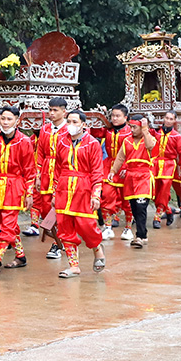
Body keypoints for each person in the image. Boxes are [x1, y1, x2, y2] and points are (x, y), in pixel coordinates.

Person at [0, 106, 36, 273]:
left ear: (17, 121)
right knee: (7, 224)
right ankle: (20, 256)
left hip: (15, 187)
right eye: (2, 119)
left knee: (7, 224)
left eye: (9, 119)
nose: (5, 122)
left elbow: (29, 171)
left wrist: (29, 193)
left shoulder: (24, 141)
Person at [54, 110, 108, 277]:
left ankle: (97, 247)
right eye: (68, 121)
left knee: (86, 225)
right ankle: (73, 266)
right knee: (64, 226)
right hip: (64, 188)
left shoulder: (92, 143)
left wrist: (96, 194)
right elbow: (57, 169)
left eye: (75, 122)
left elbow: (97, 172)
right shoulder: (61, 142)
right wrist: (54, 193)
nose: (71, 125)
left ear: (83, 125)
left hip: (83, 189)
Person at [105, 113, 158, 248]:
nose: (132, 130)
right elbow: (120, 158)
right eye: (130, 127)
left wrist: (145, 129)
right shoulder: (127, 141)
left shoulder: (150, 138)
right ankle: (141, 234)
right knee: (134, 207)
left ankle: (140, 236)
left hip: (144, 176)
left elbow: (150, 146)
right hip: (130, 177)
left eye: (135, 127)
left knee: (141, 206)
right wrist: (113, 171)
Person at [28, 97, 68, 261]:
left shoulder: (69, 130)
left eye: (55, 110)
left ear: (64, 111)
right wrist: (37, 175)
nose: (51, 113)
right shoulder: (44, 129)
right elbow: (41, 154)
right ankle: (59, 239)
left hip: (63, 172)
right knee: (45, 208)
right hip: (45, 172)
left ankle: (59, 243)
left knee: (59, 209)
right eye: (50, 110)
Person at [97, 104, 131, 239]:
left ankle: (128, 228)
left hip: (125, 167)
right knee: (106, 195)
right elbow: (95, 132)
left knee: (127, 199)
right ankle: (108, 227)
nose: (115, 119)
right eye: (113, 116)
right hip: (109, 166)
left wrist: (128, 167)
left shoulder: (130, 132)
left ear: (125, 117)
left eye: (118, 116)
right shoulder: (108, 130)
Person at [152, 110, 181, 227]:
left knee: (164, 188)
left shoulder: (177, 136)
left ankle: (157, 216)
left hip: (169, 165)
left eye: (171, 119)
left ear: (174, 121)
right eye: (166, 118)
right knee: (154, 190)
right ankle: (168, 210)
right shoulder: (155, 133)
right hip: (155, 163)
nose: (168, 121)